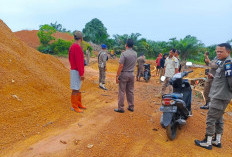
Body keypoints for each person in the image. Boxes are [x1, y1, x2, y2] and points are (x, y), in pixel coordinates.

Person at [195, 43, 232, 150]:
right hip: (219, 95)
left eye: (221, 51)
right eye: (217, 51)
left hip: (220, 96)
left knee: (211, 118)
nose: (218, 53)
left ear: (228, 52)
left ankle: (207, 141)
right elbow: (222, 79)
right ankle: (217, 140)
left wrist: (226, 94)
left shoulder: (228, 64)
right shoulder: (223, 62)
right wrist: (214, 76)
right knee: (219, 118)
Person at [114, 39, 137, 113]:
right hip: (132, 74)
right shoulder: (135, 54)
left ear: (126, 45)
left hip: (124, 74)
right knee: (130, 91)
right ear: (132, 46)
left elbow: (121, 65)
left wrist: (117, 75)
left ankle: (121, 108)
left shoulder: (124, 54)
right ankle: (131, 106)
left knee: (122, 91)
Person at [69, 31, 86, 113]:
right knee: (75, 89)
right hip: (76, 70)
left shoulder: (72, 47)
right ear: (81, 39)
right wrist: (81, 73)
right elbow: (79, 62)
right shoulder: (77, 47)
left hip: (74, 69)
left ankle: (78, 104)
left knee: (77, 88)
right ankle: (74, 106)